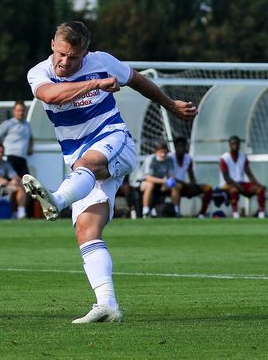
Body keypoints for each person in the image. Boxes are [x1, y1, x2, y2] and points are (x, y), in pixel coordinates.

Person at [22, 21, 197, 323]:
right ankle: (107, 304)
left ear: (85, 53)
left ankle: (57, 201)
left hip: (114, 141)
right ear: (53, 44)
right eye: (62, 54)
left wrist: (169, 105)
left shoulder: (102, 61)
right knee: (87, 232)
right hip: (80, 165)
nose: (65, 62)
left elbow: (136, 79)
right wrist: (94, 84)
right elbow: (50, 96)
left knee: (86, 164)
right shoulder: (39, 72)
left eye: (74, 57)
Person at [0, 100, 33, 217]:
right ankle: (12, 212)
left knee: (28, 186)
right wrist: (1, 148)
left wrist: (30, 147)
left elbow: (31, 138)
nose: (21, 113)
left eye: (23, 110)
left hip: (22, 160)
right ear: (14, 111)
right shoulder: (9, 123)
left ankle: (20, 212)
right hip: (10, 158)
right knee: (12, 186)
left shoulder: (27, 125)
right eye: (18, 110)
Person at [219, 135, 266, 219]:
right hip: (227, 184)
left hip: (240, 183)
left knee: (260, 189)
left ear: (239, 144)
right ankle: (235, 214)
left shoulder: (243, 156)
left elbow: (248, 172)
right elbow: (226, 177)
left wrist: (256, 183)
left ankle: (261, 213)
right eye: (233, 144)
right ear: (229, 145)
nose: (235, 146)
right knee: (234, 190)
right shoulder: (224, 158)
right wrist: (238, 186)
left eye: (237, 144)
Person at [169, 136, 213, 218]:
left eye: (184, 146)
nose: (182, 148)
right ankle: (177, 213)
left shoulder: (188, 158)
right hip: (171, 185)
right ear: (175, 147)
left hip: (184, 186)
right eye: (180, 146)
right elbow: (169, 177)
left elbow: (191, 175)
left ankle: (201, 214)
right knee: (177, 186)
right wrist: (185, 184)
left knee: (208, 188)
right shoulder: (169, 158)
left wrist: (193, 183)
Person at [139, 140, 178, 218]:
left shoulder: (170, 159)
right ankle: (145, 211)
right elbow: (148, 177)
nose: (163, 154)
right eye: (161, 152)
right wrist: (164, 181)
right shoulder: (150, 159)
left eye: (165, 152)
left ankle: (176, 210)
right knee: (150, 185)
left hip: (160, 183)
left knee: (176, 186)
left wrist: (171, 180)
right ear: (156, 152)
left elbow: (172, 174)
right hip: (142, 182)